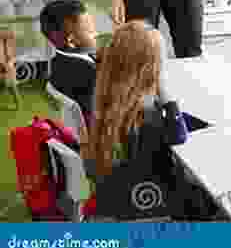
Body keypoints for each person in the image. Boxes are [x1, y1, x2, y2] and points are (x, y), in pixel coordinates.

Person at [83, 22, 214, 219]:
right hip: (155, 196)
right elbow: (178, 136)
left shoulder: (109, 96)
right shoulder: (145, 114)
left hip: (122, 191)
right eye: (162, 59)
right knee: (209, 200)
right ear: (149, 68)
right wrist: (165, 93)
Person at [39, 0, 98, 121]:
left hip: (77, 131)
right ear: (71, 41)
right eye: (90, 31)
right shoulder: (88, 72)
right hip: (97, 131)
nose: (96, 33)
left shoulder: (59, 62)